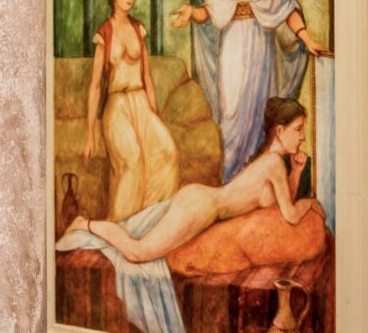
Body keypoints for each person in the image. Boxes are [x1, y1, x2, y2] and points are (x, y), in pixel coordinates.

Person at [170, 0, 328, 180]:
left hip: (260, 46)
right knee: (231, 116)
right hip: (232, 45)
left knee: (259, 116)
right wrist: (191, 12)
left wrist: (306, 38)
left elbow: (283, 5)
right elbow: (211, 10)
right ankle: (231, 184)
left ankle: (260, 185)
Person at [77, 98, 310, 265]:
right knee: (138, 253)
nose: (302, 137)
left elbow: (284, 202)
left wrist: (297, 171)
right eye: (298, 129)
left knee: (141, 246)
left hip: (201, 201)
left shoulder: (273, 163)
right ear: (280, 131)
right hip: (201, 205)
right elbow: (290, 214)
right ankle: (84, 224)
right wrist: (309, 204)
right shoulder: (273, 163)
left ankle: (88, 226)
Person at [82, 0, 177, 221]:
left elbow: (147, 77)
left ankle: (150, 222)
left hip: (141, 103)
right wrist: (90, 134)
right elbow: (95, 86)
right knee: (132, 162)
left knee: (168, 152)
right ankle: (121, 227)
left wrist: (154, 114)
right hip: (116, 107)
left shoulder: (138, 29)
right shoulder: (104, 33)